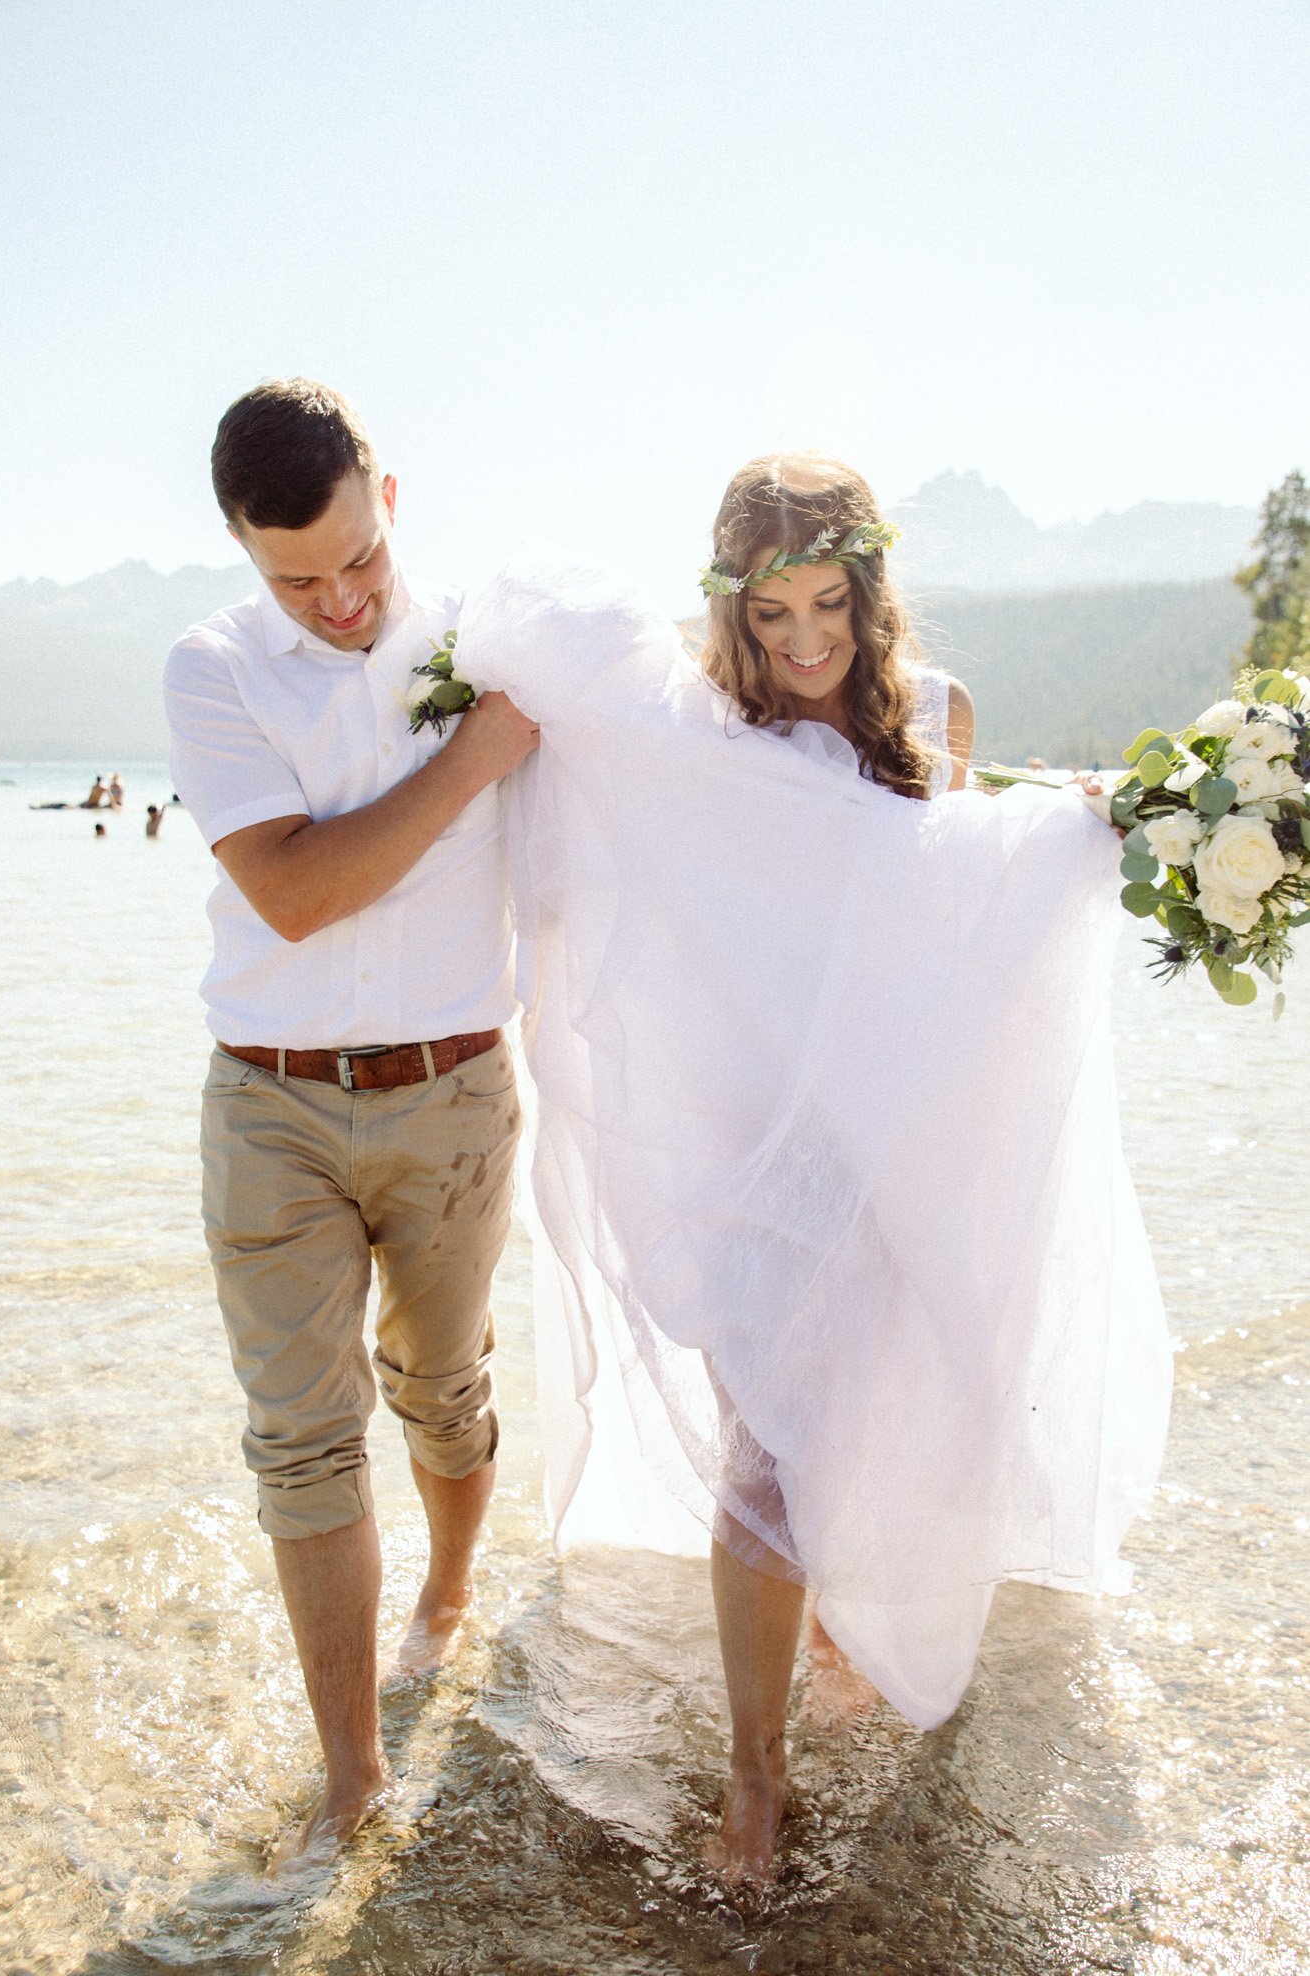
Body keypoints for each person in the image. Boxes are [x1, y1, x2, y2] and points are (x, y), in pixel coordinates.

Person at [449, 453, 1170, 1886]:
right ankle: (754, 1771)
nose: (799, 643)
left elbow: (951, 913)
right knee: (769, 1448)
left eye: (827, 604)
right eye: (769, 612)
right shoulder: (692, 726)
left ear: (868, 588)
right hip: (740, 1140)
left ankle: (845, 1634)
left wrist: (1071, 836)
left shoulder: (938, 711)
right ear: (727, 605)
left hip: (898, 1128)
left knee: (893, 1405)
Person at [163, 378, 538, 1865]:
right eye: (295, 579)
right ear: (245, 554)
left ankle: (449, 1593)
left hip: (455, 1091)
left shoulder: (492, 646)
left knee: (440, 1387)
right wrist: (474, 757)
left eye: (357, 563)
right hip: (269, 1105)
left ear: (390, 496)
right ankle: (354, 1774)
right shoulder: (211, 668)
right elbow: (298, 892)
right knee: (300, 1441)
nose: (335, 600)